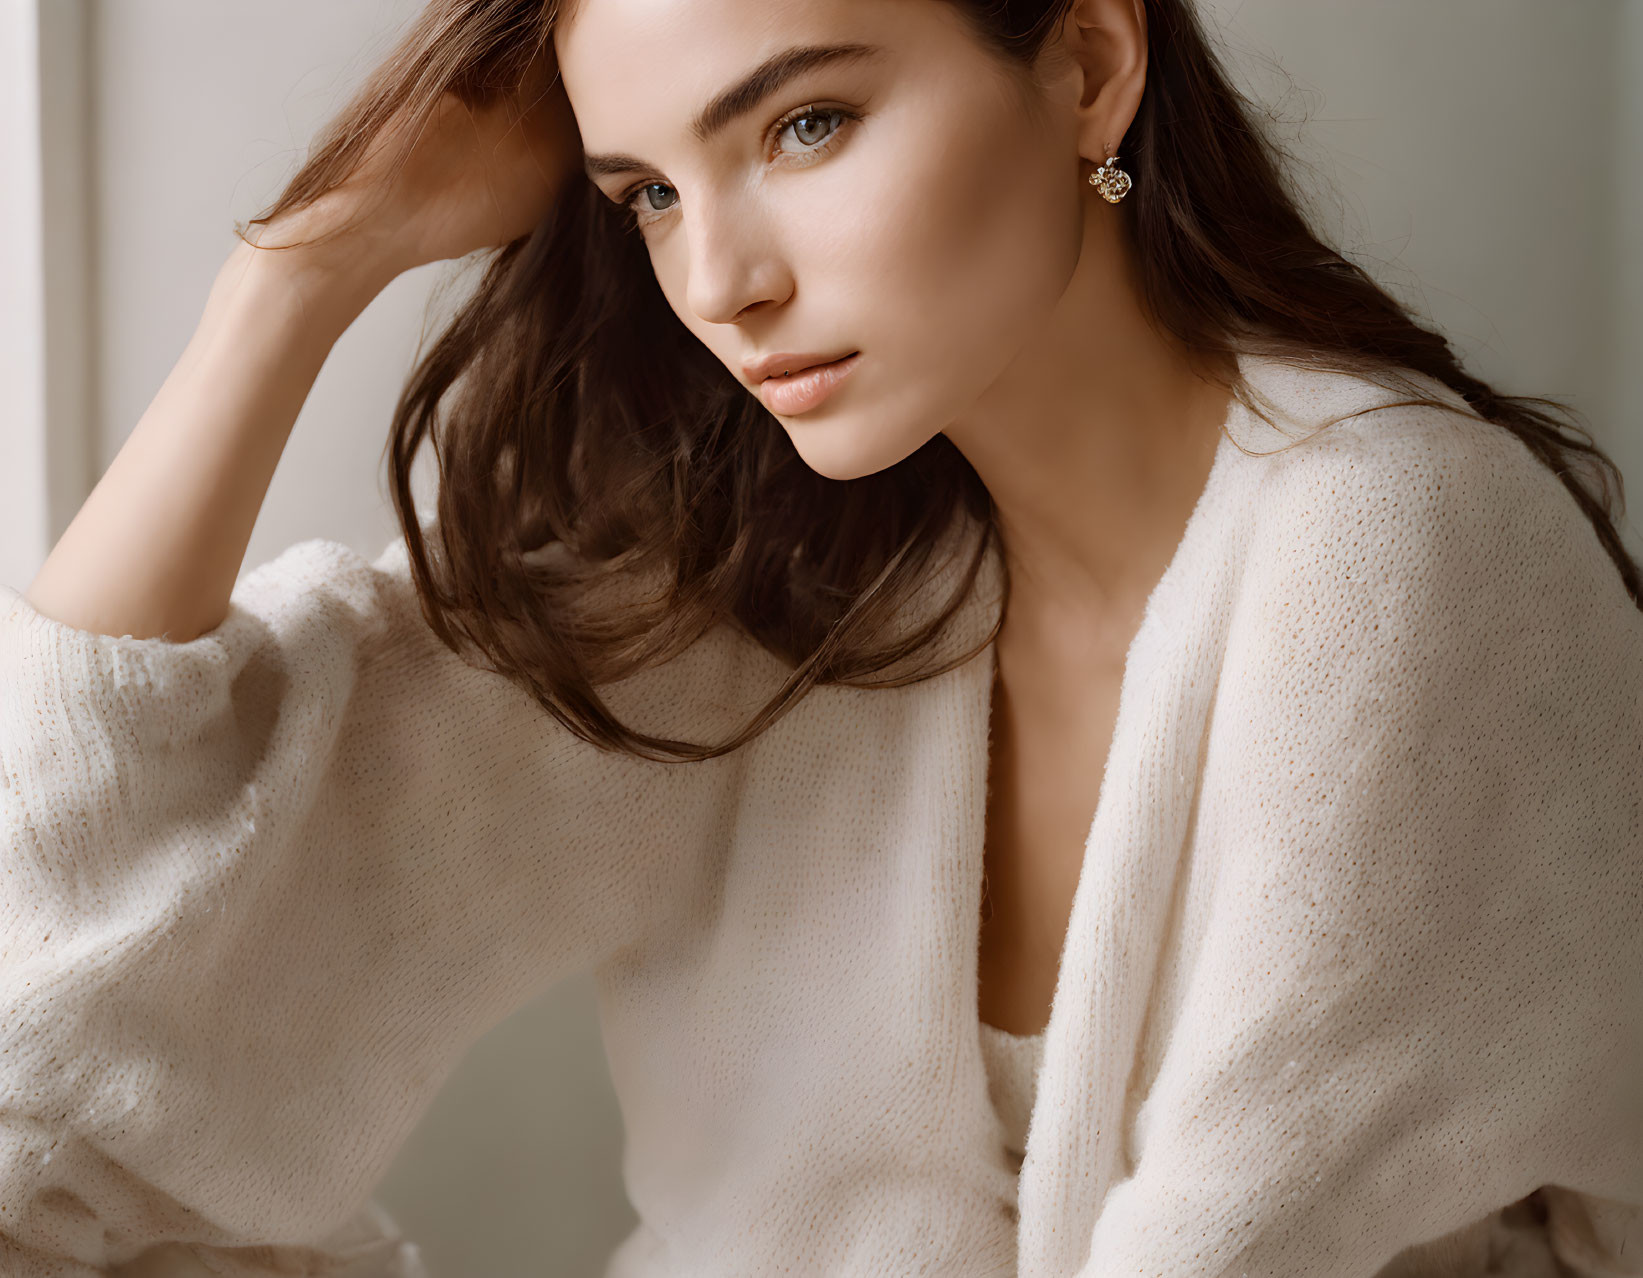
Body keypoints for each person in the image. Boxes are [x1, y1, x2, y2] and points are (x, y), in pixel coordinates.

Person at [2, 0, 1639, 1274]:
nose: (719, 279)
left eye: (804, 123)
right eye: (645, 191)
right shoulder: (779, 582)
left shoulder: (1390, 539)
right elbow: (87, 953)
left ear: (1085, 64)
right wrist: (301, 267)